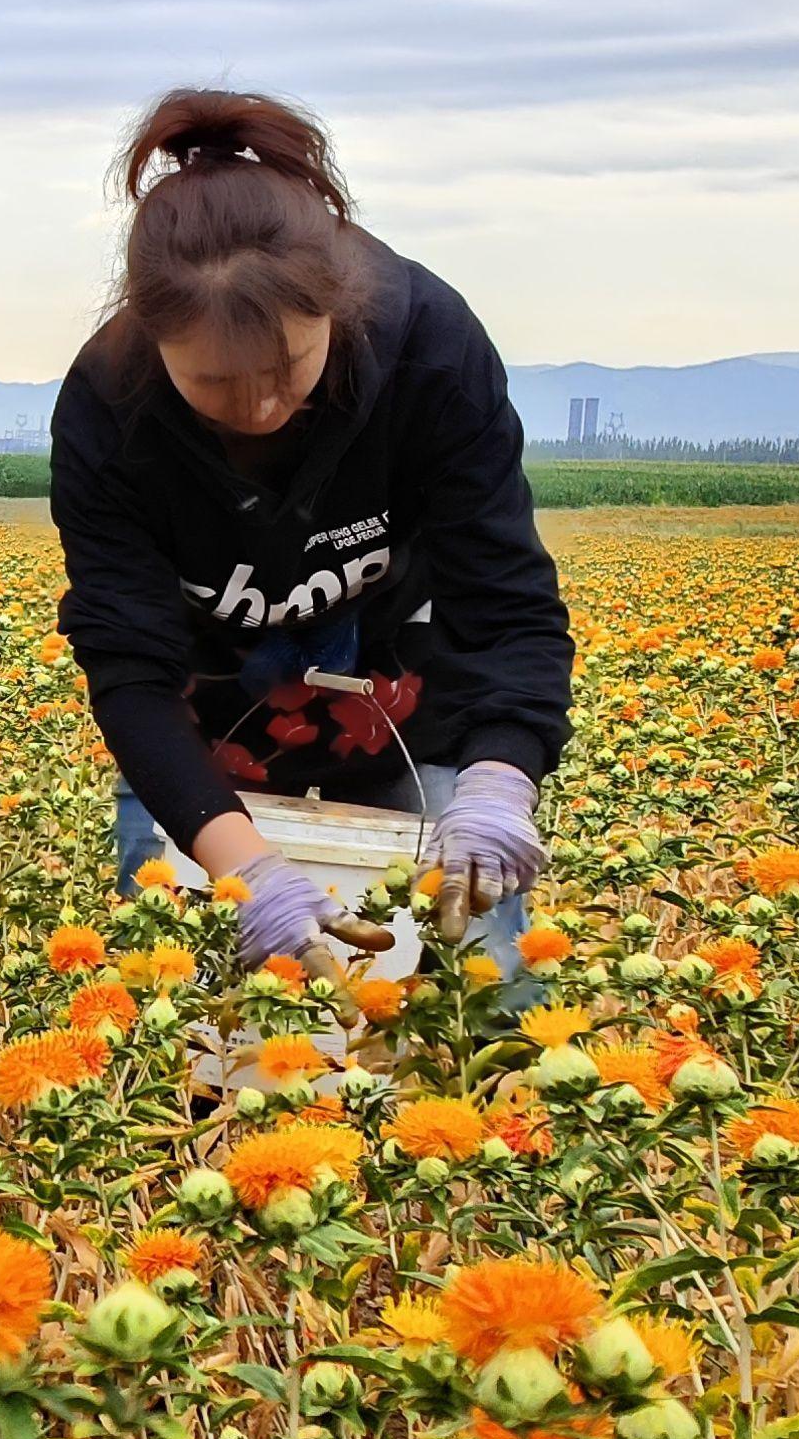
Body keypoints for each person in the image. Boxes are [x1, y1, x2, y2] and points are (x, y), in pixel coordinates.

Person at [48, 88, 572, 982]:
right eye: (213, 383)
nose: (257, 407)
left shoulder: (429, 352)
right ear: (154, 341)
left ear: (335, 306)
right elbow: (130, 667)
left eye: (288, 368)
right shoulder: (110, 407)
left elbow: (505, 596)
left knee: (477, 979)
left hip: (408, 705)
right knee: (185, 1002)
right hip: (204, 739)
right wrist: (245, 869)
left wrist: (500, 777)